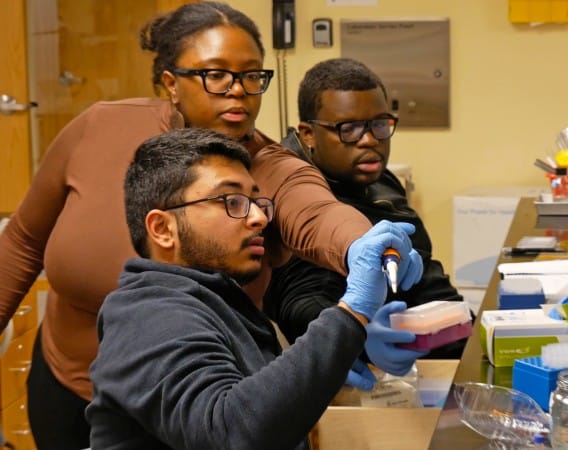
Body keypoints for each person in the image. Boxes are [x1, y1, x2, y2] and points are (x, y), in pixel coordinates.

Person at [0, 4, 405, 449]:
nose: (238, 92)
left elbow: (319, 216)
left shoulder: (267, 170)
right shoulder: (100, 127)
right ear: (171, 83)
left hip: (198, 401)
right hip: (66, 383)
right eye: (216, 75)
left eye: (252, 76)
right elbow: (22, 243)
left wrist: (363, 246)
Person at [87, 128, 420, 450]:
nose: (259, 216)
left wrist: (335, 361)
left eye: (255, 200)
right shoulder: (149, 315)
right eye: (232, 200)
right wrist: (352, 314)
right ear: (162, 228)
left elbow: (253, 397)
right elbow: (230, 433)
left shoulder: (216, 301)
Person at [267, 58, 467, 378]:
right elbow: (302, 299)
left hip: (415, 353)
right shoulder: (293, 193)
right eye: (348, 129)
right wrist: (355, 336)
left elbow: (427, 280)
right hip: (356, 371)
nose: (370, 140)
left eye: (380, 124)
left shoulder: (377, 179)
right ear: (307, 133)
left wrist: (468, 328)